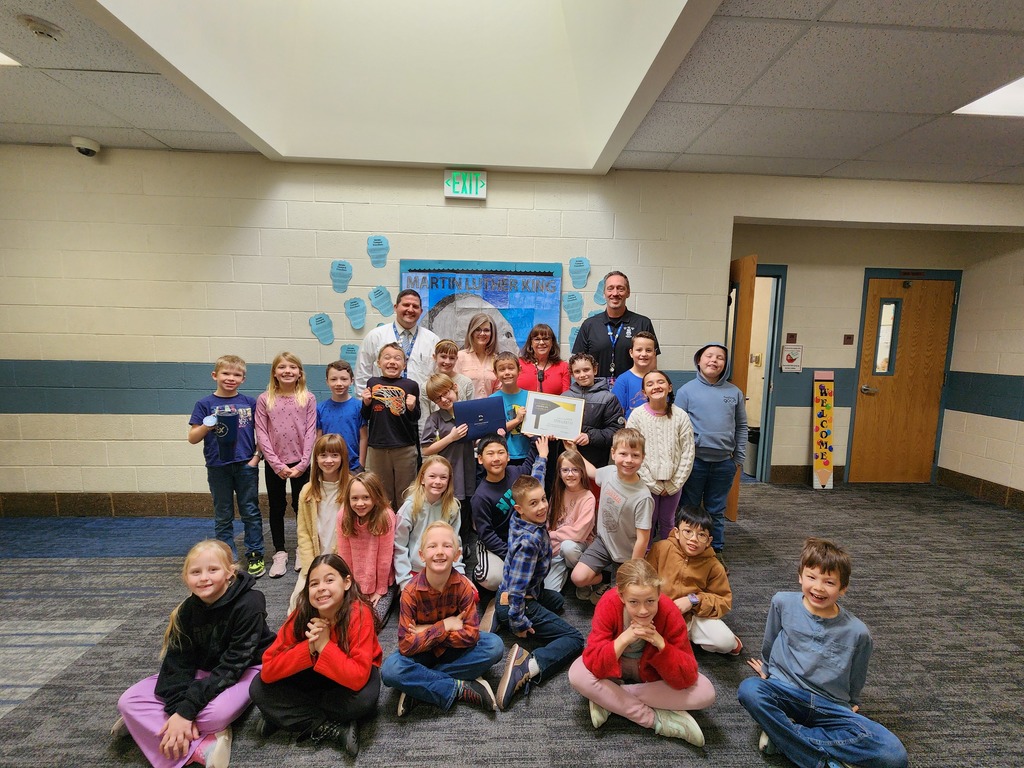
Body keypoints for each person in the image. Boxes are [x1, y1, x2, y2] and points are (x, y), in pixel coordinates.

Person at [738, 538, 908, 768]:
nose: (818, 587)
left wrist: (852, 702)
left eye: (829, 582)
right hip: (787, 691)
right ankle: (823, 762)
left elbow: (858, 674)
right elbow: (770, 639)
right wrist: (767, 671)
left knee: (894, 754)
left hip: (830, 705)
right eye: (811, 577)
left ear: (843, 588)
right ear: (800, 576)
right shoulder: (782, 603)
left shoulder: (858, 632)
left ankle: (783, 735)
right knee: (750, 689)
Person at [112, 540, 274, 768]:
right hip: (203, 672)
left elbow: (232, 666)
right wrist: (179, 712)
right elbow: (177, 665)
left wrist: (185, 711)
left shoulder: (250, 603)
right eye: (195, 572)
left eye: (213, 570)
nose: (204, 577)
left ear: (230, 573)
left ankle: (150, 724)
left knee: (214, 715)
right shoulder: (186, 611)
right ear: (186, 578)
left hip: (246, 669)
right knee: (128, 701)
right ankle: (199, 745)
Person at [568, 558, 714, 746]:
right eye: (634, 602)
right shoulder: (609, 603)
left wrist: (661, 644)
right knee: (577, 673)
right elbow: (594, 661)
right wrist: (624, 639)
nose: (643, 610)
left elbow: (687, 675)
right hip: (617, 668)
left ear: (659, 594)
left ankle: (609, 698)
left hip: (650, 675)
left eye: (650, 601)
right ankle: (655, 720)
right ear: (621, 596)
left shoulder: (669, 610)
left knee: (706, 691)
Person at [249, 554, 382, 757]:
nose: (321, 588)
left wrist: (325, 645)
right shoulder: (302, 613)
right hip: (313, 678)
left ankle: (285, 717)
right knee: (258, 688)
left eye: (329, 580)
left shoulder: (360, 614)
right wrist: (310, 648)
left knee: (365, 700)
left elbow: (357, 677)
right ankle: (331, 727)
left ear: (346, 583)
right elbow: (268, 669)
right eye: (314, 583)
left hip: (345, 681)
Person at [381, 521, 505, 715]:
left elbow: (471, 635)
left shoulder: (463, 587)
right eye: (432, 546)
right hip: (422, 653)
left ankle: (420, 686)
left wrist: (426, 629)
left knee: (495, 646)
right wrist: (444, 625)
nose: (440, 551)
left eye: (447, 546)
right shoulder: (410, 593)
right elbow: (406, 646)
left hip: (452, 649)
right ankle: (457, 687)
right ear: (422, 556)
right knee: (390, 670)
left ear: (457, 555)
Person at [494, 472, 585, 711]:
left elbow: (533, 482)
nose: (543, 506)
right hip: (518, 599)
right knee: (574, 639)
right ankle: (527, 666)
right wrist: (518, 621)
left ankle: (497, 611)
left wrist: (542, 459)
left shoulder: (523, 516)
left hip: (514, 591)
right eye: (534, 503)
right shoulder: (529, 543)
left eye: (543, 499)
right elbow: (516, 588)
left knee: (556, 600)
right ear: (519, 508)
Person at [188, 354, 265, 578]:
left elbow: (262, 432)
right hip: (218, 465)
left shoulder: (249, 403)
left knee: (250, 511)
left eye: (236, 374)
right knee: (223, 514)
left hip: (245, 464)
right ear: (215, 375)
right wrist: (207, 425)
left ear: (243, 379)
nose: (230, 378)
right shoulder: (204, 404)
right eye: (226, 373)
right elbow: (192, 437)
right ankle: (227, 557)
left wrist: (256, 457)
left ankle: (255, 554)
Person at [677, 343, 748, 564]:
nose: (714, 361)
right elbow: (678, 427)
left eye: (720, 358)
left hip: (723, 463)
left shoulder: (734, 392)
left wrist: (738, 458)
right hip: (694, 462)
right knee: (689, 507)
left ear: (725, 364)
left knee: (716, 509)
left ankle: (714, 550)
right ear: (699, 360)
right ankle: (684, 549)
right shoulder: (686, 391)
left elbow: (742, 426)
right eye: (709, 356)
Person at [570, 428, 653, 604]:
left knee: (620, 601)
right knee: (577, 577)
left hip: (626, 554)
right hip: (604, 542)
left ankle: (612, 585)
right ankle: (604, 579)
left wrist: (632, 569)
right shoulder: (609, 472)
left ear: (643, 458)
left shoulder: (643, 497)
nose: (629, 460)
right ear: (613, 453)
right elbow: (592, 471)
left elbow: (642, 539)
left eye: (635, 455)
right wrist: (574, 452)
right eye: (623, 454)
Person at [646, 507, 741, 655]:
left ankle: (689, 636)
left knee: (726, 642)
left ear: (709, 541)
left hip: (692, 618)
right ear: (677, 532)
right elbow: (645, 580)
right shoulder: (660, 548)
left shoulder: (714, 566)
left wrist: (693, 600)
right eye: (688, 531)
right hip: (659, 613)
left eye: (701, 535)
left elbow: (724, 601)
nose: (693, 539)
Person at [255, 351, 317, 579]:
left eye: (292, 367)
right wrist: (275, 463)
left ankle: (303, 548)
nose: (287, 371)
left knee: (302, 506)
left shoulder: (307, 398)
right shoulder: (265, 399)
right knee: (277, 506)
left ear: (300, 373)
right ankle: (280, 552)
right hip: (275, 463)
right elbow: (261, 432)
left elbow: (311, 431)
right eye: (282, 367)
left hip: (300, 462)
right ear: (274, 373)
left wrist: (303, 463)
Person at [471, 433, 547, 592]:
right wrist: (510, 555)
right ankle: (478, 572)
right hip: (494, 544)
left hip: (518, 538)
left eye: (500, 452)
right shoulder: (480, 497)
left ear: (508, 456)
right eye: (490, 454)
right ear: (480, 459)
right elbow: (486, 534)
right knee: (492, 580)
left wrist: (533, 438)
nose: (496, 458)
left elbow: (530, 462)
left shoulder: (515, 473)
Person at [626, 369, 695, 543]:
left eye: (660, 382)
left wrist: (675, 483)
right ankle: (646, 558)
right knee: (647, 522)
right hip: (645, 482)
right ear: (644, 392)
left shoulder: (681, 416)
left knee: (668, 521)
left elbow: (688, 453)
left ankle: (668, 556)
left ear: (670, 387)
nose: (656, 386)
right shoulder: (637, 416)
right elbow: (632, 453)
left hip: (673, 483)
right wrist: (652, 484)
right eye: (650, 384)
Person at [290, 433, 351, 612]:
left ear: (342, 458)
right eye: (323, 455)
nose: (328, 460)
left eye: (334, 455)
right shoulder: (307, 491)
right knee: (297, 608)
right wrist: (311, 570)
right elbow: (303, 534)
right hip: (315, 561)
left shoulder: (352, 488)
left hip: (342, 562)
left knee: (339, 608)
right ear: (316, 458)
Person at [361, 342, 421, 511]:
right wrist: (365, 403)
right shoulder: (372, 383)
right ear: (379, 362)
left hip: (404, 447)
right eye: (387, 358)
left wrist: (411, 407)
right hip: (378, 447)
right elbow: (366, 416)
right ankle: (384, 531)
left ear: (404, 364)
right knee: (381, 494)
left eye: (397, 358)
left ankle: (405, 531)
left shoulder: (411, 385)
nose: (392, 362)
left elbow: (416, 417)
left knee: (406, 495)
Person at [571, 271, 658, 384]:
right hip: (596, 392)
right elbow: (578, 362)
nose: (615, 293)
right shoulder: (589, 325)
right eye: (610, 288)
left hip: (632, 391)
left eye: (620, 288)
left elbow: (652, 363)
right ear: (604, 293)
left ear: (628, 292)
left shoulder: (642, 323)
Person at [393, 456, 466, 590]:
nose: (437, 482)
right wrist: (404, 580)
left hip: (444, 567)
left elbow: (456, 543)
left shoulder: (452, 507)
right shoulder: (410, 508)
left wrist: (460, 573)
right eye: (432, 476)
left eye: (443, 477)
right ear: (422, 479)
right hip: (416, 570)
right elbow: (399, 546)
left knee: (470, 596)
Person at [336, 471, 397, 631]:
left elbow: (385, 558)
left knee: (371, 621)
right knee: (341, 618)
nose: (360, 503)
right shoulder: (343, 516)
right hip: (354, 582)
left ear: (376, 497)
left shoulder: (386, 516)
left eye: (366, 497)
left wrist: (380, 590)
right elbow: (344, 555)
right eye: (354, 498)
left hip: (382, 582)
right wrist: (350, 589)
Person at [353, 288, 439, 393]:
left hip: (420, 405)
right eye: (406, 305)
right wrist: (364, 405)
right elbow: (362, 374)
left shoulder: (432, 340)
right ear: (395, 307)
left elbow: (437, 377)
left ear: (421, 311)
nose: (410, 310)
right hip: (381, 403)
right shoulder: (375, 336)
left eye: (415, 306)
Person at [543, 448, 596, 592]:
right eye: (565, 470)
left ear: (582, 472)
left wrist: (552, 536)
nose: (570, 474)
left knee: (568, 547)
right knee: (549, 591)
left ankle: (590, 576)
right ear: (559, 473)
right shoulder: (558, 492)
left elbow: (578, 534)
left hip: (578, 546)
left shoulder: (588, 497)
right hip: (556, 547)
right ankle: (567, 568)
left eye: (575, 470)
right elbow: (549, 524)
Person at [563, 352, 626, 470]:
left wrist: (590, 437)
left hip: (596, 460)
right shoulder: (564, 397)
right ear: (572, 374)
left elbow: (616, 432)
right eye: (577, 371)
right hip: (568, 460)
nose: (582, 375)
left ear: (595, 370)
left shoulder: (608, 398)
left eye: (586, 370)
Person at [421, 373, 475, 504]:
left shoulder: (470, 411)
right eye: (438, 398)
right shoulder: (434, 418)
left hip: (470, 471)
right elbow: (426, 450)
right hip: (448, 474)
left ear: (455, 388)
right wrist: (451, 438)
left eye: (446, 393)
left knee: (467, 509)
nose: (444, 400)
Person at [316, 360, 364, 472]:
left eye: (344, 379)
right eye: (333, 379)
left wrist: (361, 463)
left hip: (353, 466)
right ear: (327, 381)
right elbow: (318, 438)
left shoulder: (359, 406)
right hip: (328, 465)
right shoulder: (320, 408)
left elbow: (363, 437)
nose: (338, 383)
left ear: (351, 381)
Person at [421, 338, 475, 420]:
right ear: (434, 357)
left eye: (452, 358)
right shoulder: (426, 386)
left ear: (456, 359)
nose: (447, 361)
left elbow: (471, 411)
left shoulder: (466, 382)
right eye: (443, 357)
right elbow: (424, 418)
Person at [491, 351, 529, 464]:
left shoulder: (530, 397)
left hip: (528, 453)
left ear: (519, 370)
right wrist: (517, 420)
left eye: (511, 368)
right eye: (502, 369)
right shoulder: (492, 400)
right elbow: (494, 430)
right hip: (503, 455)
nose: (507, 372)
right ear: (495, 373)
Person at [612, 331, 658, 420]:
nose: (644, 354)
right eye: (639, 350)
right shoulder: (623, 380)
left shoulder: (660, 380)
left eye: (648, 350)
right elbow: (617, 415)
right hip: (631, 431)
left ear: (654, 353)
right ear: (631, 353)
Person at [455, 312, 499, 399]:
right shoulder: (459, 357)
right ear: (471, 332)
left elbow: (498, 391)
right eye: (477, 329)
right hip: (466, 409)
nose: (482, 333)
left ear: (492, 333)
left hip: (489, 409)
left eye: (486, 330)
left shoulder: (496, 359)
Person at [517, 323, 570, 394]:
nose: (541, 342)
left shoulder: (563, 367)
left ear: (552, 343)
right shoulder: (519, 364)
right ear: (531, 343)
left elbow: (566, 397)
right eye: (537, 339)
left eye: (546, 339)